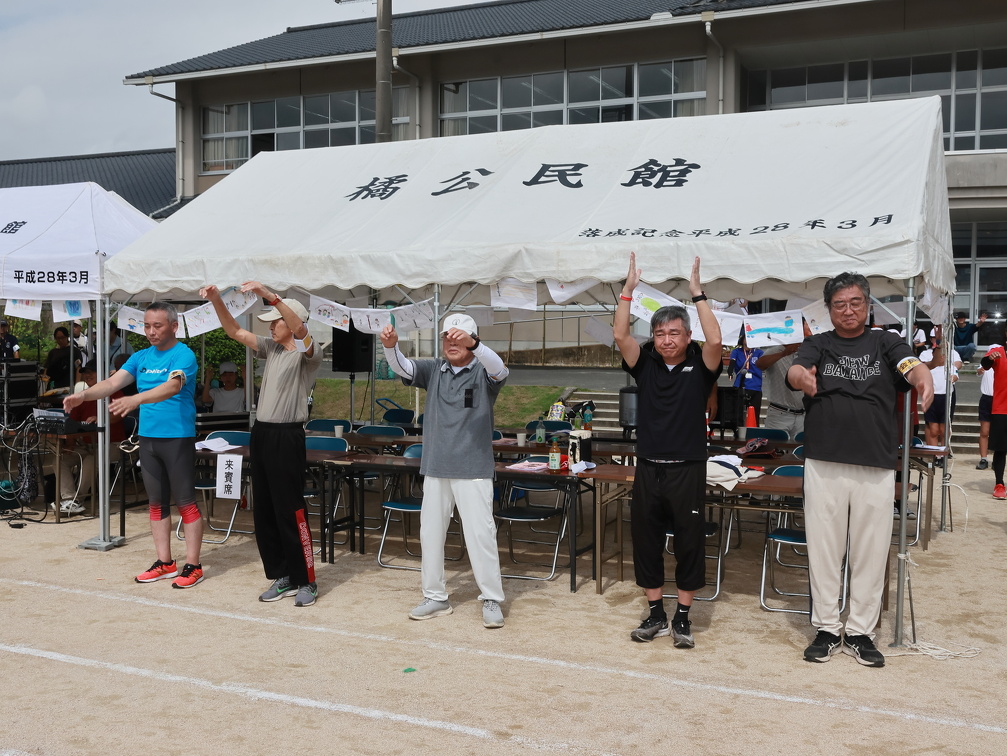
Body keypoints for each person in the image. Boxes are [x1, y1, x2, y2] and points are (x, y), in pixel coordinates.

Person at [787, 272, 933, 668]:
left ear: (868, 305)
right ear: (829, 309)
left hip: (876, 462)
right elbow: (796, 371)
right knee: (824, 548)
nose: (848, 310)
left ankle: (860, 633)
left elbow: (911, 366)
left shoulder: (885, 341)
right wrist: (802, 378)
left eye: (855, 303)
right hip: (824, 460)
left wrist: (923, 379)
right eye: (839, 304)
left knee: (870, 550)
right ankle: (826, 629)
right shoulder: (818, 343)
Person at [614, 253, 722, 648]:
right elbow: (621, 336)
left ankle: (683, 618)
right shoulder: (646, 366)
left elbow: (716, 340)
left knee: (689, 542)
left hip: (687, 468)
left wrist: (697, 294)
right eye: (660, 334)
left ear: (687, 336)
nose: (666, 340)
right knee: (646, 540)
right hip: (648, 467)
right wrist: (627, 291)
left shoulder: (702, 366)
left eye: (674, 333)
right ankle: (657, 613)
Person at [379, 312, 509, 629]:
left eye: (458, 338)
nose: (451, 343)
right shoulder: (434, 368)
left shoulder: (484, 369)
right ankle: (435, 597)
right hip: (436, 466)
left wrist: (474, 345)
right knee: (431, 534)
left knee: (481, 535)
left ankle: (491, 598)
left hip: (473, 468)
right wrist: (390, 346)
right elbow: (402, 367)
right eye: (446, 338)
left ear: (472, 341)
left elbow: (500, 368)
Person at [64, 303, 205, 588]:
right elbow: (112, 382)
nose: (151, 332)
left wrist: (136, 399)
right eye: (147, 326)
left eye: (158, 326)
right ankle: (165, 562)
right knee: (156, 503)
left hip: (177, 437)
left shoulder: (184, 355)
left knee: (185, 502)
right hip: (149, 439)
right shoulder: (141, 357)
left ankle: (193, 565)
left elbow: (173, 386)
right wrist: (84, 396)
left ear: (174, 326)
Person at [201, 283, 322, 607]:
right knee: (265, 510)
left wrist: (271, 295)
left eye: (276, 321)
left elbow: (301, 331)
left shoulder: (308, 353)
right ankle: (283, 575)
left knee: (291, 508)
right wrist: (216, 300)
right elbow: (235, 331)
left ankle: (306, 579)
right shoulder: (272, 347)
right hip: (263, 434)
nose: (270, 326)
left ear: (292, 322)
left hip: (288, 435)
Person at [56, 360, 126, 514]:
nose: (87, 375)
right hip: (87, 446)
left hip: (113, 445)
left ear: (102, 373)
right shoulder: (82, 397)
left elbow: (119, 414)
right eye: (85, 373)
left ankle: (77, 500)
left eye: (91, 372)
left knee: (90, 460)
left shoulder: (114, 392)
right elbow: (72, 423)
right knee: (59, 460)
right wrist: (69, 444)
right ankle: (68, 498)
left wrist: (101, 418)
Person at [754, 320, 811, 440]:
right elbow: (760, 364)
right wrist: (784, 353)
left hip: (802, 414)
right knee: (773, 446)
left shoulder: (808, 353)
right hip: (779, 413)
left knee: (800, 449)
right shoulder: (776, 350)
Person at [919, 344, 962, 461]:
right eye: (939, 356)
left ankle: (943, 455)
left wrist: (952, 378)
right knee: (933, 430)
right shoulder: (929, 368)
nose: (942, 358)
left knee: (943, 430)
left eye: (943, 355)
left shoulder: (950, 367)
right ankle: (935, 456)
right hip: (932, 398)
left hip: (946, 398)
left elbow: (955, 376)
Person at [979, 334, 1007, 500]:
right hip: (1001, 408)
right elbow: (985, 364)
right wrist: (990, 358)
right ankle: (999, 483)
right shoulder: (998, 352)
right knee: (1001, 449)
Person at [728, 333, 763, 418]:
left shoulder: (759, 353)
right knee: (738, 414)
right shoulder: (737, 352)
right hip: (740, 385)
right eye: (746, 338)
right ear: (742, 340)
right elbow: (732, 363)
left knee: (754, 415)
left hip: (755, 386)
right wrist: (730, 372)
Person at [976, 348, 997, 470]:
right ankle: (983, 458)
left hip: (1000, 399)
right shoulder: (986, 362)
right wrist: (981, 370)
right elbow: (979, 371)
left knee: (999, 431)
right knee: (984, 431)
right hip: (986, 399)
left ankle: (997, 458)